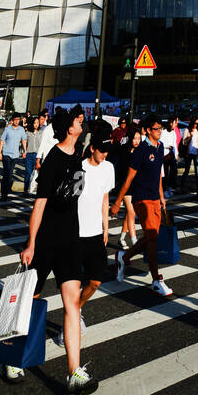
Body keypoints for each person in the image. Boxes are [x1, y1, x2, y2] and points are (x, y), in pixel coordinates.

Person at [17, 104, 98, 395]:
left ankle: (74, 372)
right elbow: (39, 204)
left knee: (72, 304)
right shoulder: (53, 159)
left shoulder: (78, 157)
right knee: (30, 301)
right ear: (68, 128)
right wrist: (31, 243)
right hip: (47, 240)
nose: (83, 122)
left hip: (70, 240)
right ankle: (14, 358)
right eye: (79, 120)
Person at [53, 121, 116, 348]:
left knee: (96, 280)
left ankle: (76, 309)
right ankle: (68, 323)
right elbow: (71, 200)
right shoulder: (80, 168)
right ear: (92, 148)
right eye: (102, 149)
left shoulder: (109, 168)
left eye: (108, 150)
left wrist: (106, 227)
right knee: (72, 284)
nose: (105, 153)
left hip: (96, 233)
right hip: (76, 233)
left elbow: (105, 198)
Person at [111, 114, 173, 297]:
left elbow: (158, 173)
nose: (159, 132)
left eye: (160, 128)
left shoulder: (160, 147)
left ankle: (125, 256)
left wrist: (162, 196)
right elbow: (128, 179)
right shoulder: (141, 151)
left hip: (155, 197)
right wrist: (116, 202)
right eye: (156, 129)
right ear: (147, 130)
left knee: (151, 236)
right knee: (152, 236)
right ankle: (156, 279)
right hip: (141, 197)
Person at [0, 114, 27, 201]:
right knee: (6, 173)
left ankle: (6, 190)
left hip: (15, 155)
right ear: (12, 120)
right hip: (6, 154)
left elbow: (23, 140)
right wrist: (0, 152)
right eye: (15, 119)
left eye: (18, 119)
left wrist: (25, 151)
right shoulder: (7, 129)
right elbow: (2, 140)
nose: (17, 121)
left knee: (10, 174)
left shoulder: (21, 130)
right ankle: (4, 193)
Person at [181, 119, 198, 193]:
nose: (195, 125)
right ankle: (182, 186)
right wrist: (190, 136)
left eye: (196, 124)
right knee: (187, 170)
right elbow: (184, 142)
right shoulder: (187, 130)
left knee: (197, 172)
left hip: (195, 152)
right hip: (188, 153)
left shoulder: (197, 130)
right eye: (195, 124)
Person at [23, 116, 40, 194]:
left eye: (37, 123)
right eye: (34, 123)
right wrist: (24, 151)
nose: (36, 124)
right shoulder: (27, 133)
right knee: (28, 172)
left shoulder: (41, 133)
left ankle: (34, 189)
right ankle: (25, 190)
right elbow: (24, 143)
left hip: (37, 156)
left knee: (37, 174)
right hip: (29, 155)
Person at [160, 118, 178, 194]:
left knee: (173, 172)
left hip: (171, 154)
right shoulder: (164, 132)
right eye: (174, 123)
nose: (175, 125)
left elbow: (175, 144)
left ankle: (170, 187)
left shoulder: (174, 133)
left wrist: (176, 154)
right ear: (170, 123)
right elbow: (161, 142)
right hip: (165, 154)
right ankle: (164, 189)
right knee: (165, 173)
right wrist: (168, 146)